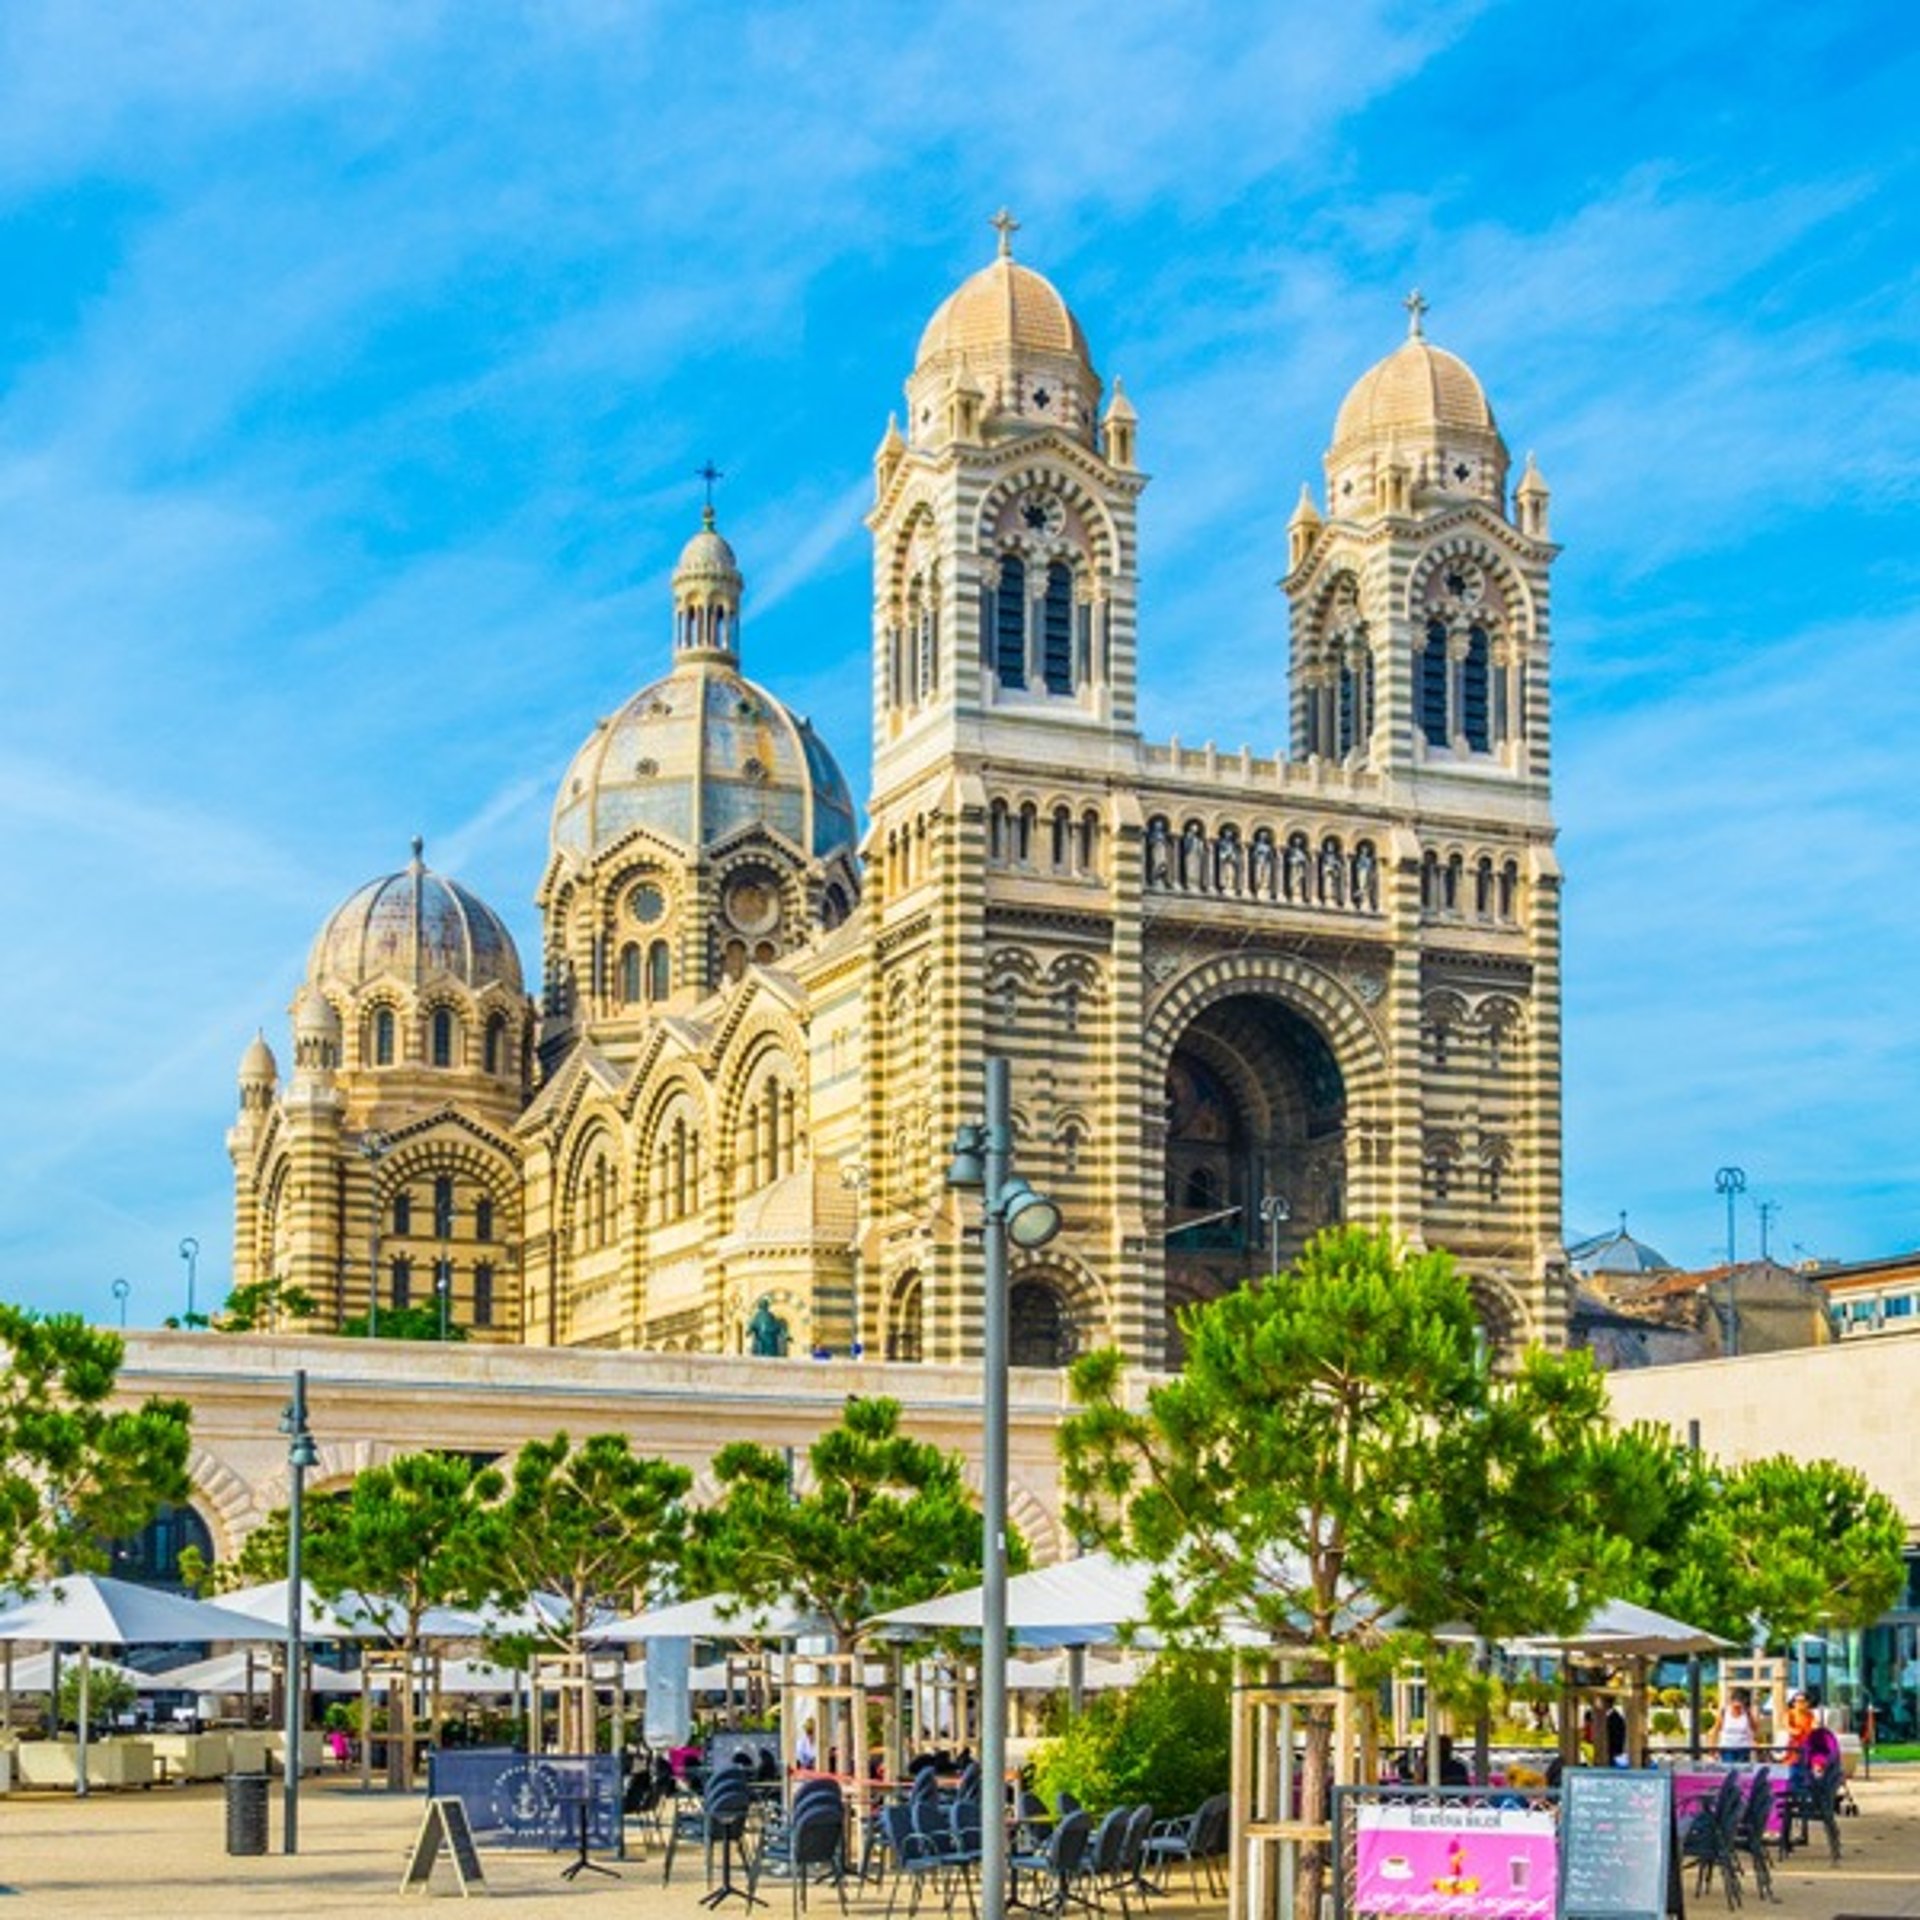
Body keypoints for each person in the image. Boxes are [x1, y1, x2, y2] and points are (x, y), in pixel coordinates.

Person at [1712, 1687, 1756, 1764]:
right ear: (1731, 1702)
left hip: (1743, 1749)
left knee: (1742, 1772)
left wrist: (1749, 1713)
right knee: (1730, 1770)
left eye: (1740, 1706)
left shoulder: (1746, 1712)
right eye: (1735, 1707)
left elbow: (1755, 1728)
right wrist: (1713, 1749)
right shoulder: (1724, 1712)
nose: (1738, 1709)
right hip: (1727, 1748)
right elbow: (1714, 1731)